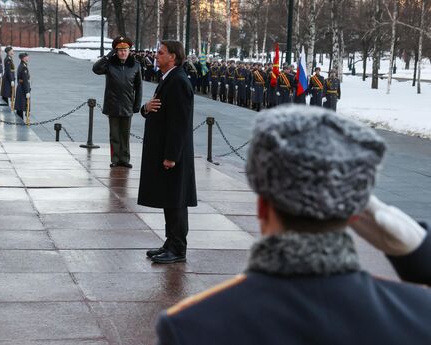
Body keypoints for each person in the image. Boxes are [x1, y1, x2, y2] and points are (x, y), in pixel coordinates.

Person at [155, 105, 431, 344]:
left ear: (262, 206)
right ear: (355, 214)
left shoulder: (191, 326)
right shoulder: (418, 312)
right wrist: (419, 249)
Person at [139, 40, 197, 264]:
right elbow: (157, 109)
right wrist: (145, 109)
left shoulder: (179, 81)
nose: (156, 56)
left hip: (174, 155)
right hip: (166, 151)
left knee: (176, 201)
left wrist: (172, 156)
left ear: (173, 57)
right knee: (169, 199)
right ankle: (170, 242)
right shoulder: (168, 79)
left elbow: (179, 124)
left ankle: (178, 248)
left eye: (160, 53)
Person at [92, 36, 143, 169]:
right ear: (116, 51)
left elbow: (139, 87)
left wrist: (137, 105)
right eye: (119, 50)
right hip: (113, 104)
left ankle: (124, 159)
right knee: (114, 134)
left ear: (129, 51)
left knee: (125, 135)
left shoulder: (135, 65)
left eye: (125, 50)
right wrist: (108, 56)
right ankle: (115, 159)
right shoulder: (110, 64)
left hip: (127, 104)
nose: (123, 53)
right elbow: (96, 69)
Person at [14, 52, 31, 120]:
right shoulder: (24, 67)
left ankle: (20, 120)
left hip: (20, 87)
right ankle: (20, 121)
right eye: (26, 56)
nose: (28, 58)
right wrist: (27, 91)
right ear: (23, 58)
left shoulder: (22, 65)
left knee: (20, 106)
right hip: (23, 89)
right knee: (21, 106)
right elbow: (25, 81)